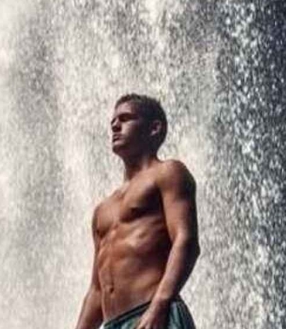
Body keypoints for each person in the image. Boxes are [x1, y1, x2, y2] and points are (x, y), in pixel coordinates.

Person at [72, 93, 201, 329]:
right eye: (113, 122)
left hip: (154, 313)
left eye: (125, 118)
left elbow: (186, 240)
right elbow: (97, 289)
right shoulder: (103, 209)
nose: (115, 126)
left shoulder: (168, 173)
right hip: (114, 324)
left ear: (154, 128)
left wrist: (159, 305)